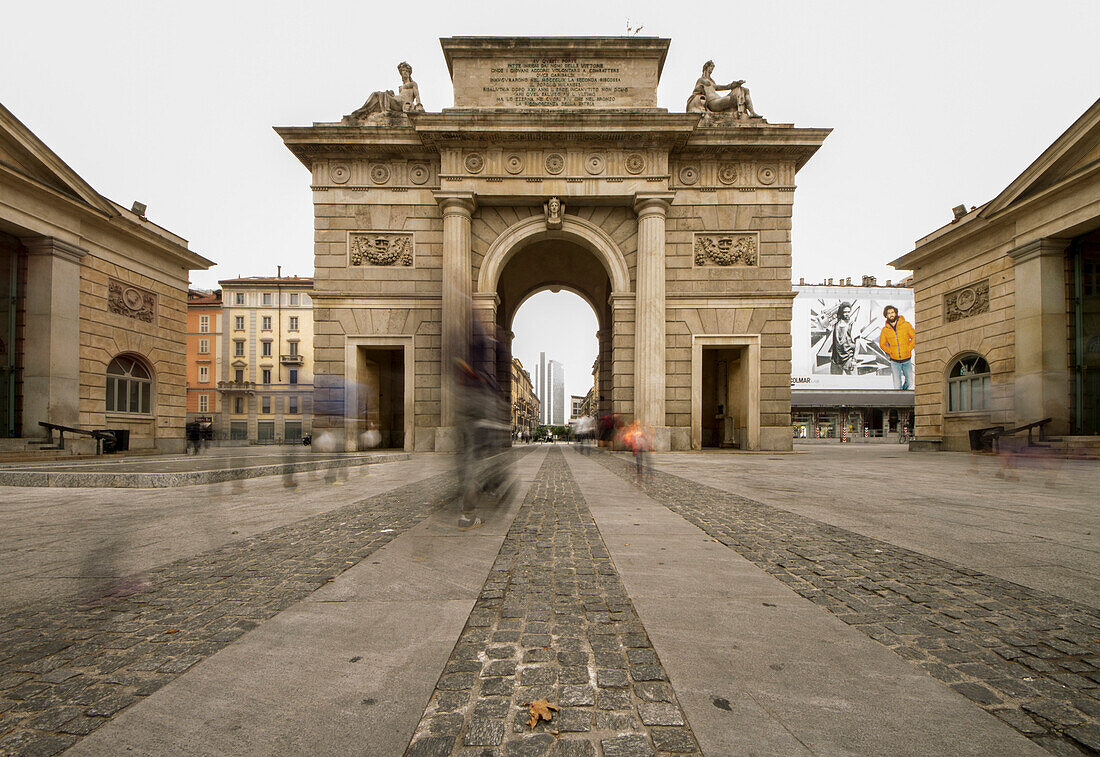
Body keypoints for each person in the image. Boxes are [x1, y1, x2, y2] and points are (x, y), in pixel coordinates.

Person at [686, 60, 760, 117]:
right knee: (733, 99)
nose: (712, 69)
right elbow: (695, 93)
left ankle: (752, 112)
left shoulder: (712, 81)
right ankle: (741, 113)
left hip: (718, 99)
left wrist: (733, 85)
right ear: (706, 67)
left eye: (712, 67)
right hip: (712, 103)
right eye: (711, 67)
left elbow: (722, 87)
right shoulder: (701, 80)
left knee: (744, 90)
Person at [351, 61, 424, 119]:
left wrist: (419, 105)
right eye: (403, 71)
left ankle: (385, 110)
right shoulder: (400, 88)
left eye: (406, 71)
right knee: (377, 94)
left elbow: (417, 96)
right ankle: (364, 111)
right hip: (397, 100)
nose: (404, 72)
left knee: (383, 95)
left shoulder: (413, 84)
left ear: (409, 73)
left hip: (404, 103)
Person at [878, 305, 916, 390]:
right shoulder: (885, 330)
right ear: (886, 316)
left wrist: (908, 348)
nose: (891, 315)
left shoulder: (906, 325)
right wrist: (891, 351)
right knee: (897, 385)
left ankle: (904, 394)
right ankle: (900, 400)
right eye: (888, 313)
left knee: (910, 382)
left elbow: (914, 337)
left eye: (892, 312)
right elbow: (882, 344)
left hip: (907, 359)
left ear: (896, 313)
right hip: (894, 361)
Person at [830, 303, 857, 375]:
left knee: (854, 382)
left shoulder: (852, 324)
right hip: (836, 360)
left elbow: (858, 343)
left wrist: (854, 359)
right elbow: (824, 324)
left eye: (848, 312)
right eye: (845, 312)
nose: (847, 314)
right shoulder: (835, 324)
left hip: (848, 359)